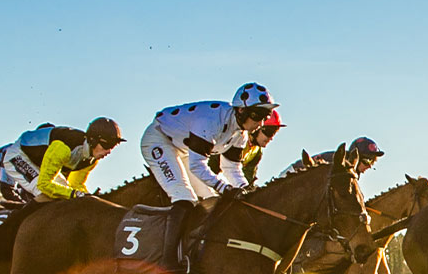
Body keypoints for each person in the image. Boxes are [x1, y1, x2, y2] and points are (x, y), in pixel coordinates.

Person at [140, 82, 277, 204]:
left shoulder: (240, 134)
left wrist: (246, 189)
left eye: (265, 117)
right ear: (241, 110)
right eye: (257, 116)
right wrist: (224, 187)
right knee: (184, 197)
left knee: (211, 200)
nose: (261, 123)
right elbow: (197, 164)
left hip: (183, 150)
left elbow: (231, 168)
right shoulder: (211, 121)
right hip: (159, 139)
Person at [0, 119, 126, 207]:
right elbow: (12, 190)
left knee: (62, 194)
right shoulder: (61, 148)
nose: (109, 151)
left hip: (31, 166)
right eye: (107, 145)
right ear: (92, 140)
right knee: (45, 193)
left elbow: (75, 186)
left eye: (113, 147)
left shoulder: (91, 160)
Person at [282, 136, 385, 178]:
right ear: (356, 158)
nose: (369, 166)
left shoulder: (349, 170)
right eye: (367, 160)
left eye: (372, 162)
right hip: (290, 175)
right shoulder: (339, 165)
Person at [235, 109, 286, 185]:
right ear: (257, 128)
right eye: (269, 132)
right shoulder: (237, 139)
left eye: (274, 133)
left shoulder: (257, 152)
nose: (271, 138)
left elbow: (249, 176)